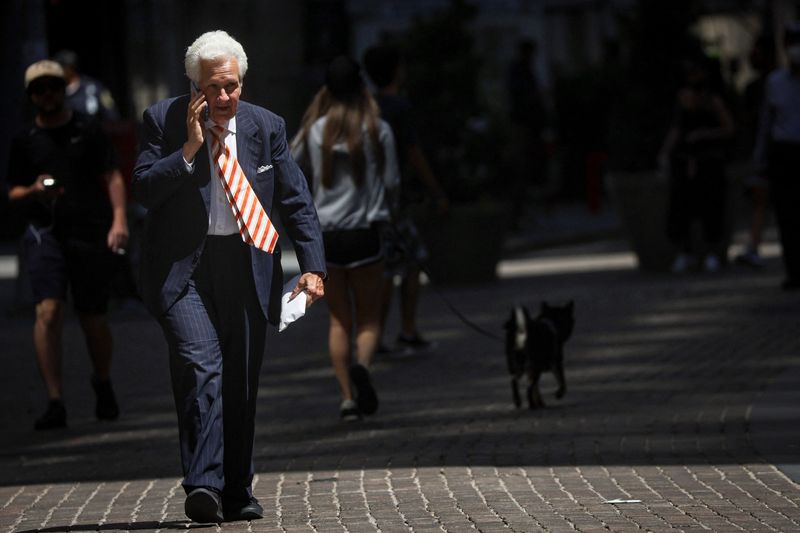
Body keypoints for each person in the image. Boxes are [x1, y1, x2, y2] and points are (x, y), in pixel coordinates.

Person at [131, 30, 326, 523]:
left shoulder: (267, 126)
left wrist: (313, 266)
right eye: (213, 88)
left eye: (231, 86)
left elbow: (295, 199)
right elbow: (144, 190)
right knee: (202, 367)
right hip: (183, 271)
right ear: (194, 85)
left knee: (239, 383)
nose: (223, 97)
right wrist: (190, 150)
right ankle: (203, 485)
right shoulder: (163, 120)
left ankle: (236, 489)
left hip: (246, 262)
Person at [5, 60, 128, 430]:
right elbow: (12, 193)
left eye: (53, 87)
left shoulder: (87, 131)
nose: (47, 95)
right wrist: (33, 189)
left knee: (93, 318)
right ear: (31, 96)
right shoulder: (25, 142)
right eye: (40, 90)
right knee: (48, 312)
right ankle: (55, 399)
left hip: (88, 231)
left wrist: (119, 220)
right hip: (45, 234)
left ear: (63, 90)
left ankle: (102, 381)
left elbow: (113, 176)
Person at [291, 56, 399, 422]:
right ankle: (364, 366)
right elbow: (392, 184)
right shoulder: (378, 129)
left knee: (339, 321)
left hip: (326, 239)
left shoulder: (314, 131)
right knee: (369, 319)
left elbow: (290, 171)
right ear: (361, 88)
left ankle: (347, 399)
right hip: (366, 235)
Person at [362, 43, 449, 354]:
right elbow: (413, 153)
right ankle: (404, 330)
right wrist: (436, 191)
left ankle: (379, 334)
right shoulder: (399, 108)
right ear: (397, 69)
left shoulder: (366, 106)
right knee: (409, 262)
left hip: (369, 200)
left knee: (384, 265)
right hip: (396, 200)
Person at [658, 56, 735, 273]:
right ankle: (686, 252)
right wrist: (665, 153)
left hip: (709, 160)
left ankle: (711, 252)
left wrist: (705, 134)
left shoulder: (714, 100)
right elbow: (676, 129)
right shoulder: (682, 98)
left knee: (711, 206)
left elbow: (729, 128)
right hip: (685, 161)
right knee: (682, 208)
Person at [752, 23, 800, 290]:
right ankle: (794, 270)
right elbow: (766, 124)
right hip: (785, 154)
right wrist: (759, 160)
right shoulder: (775, 83)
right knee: (788, 216)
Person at [734, 34, 776, 269]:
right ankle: (754, 245)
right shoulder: (759, 87)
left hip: (783, 149)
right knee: (760, 200)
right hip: (768, 151)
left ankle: (754, 245)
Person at [506, 38, 548, 231]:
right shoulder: (519, 71)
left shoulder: (523, 70)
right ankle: (516, 216)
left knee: (527, 172)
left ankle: (520, 214)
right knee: (520, 172)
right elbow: (522, 98)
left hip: (528, 126)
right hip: (522, 125)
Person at [53, 49, 120, 123]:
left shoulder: (93, 87)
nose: (59, 71)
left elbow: (111, 112)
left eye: (62, 67)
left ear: (71, 67)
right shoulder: (54, 90)